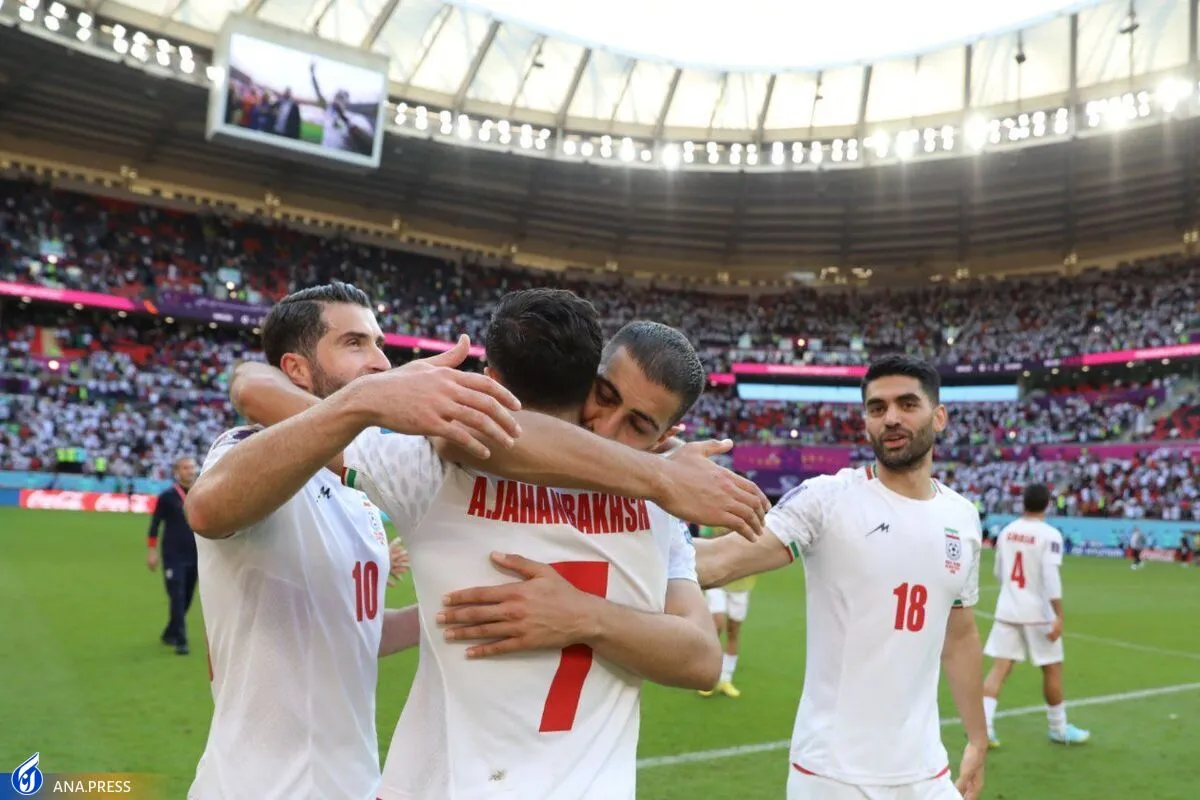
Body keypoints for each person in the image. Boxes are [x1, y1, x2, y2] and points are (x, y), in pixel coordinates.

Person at [188, 283, 763, 800]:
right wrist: (660, 476)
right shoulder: (653, 488)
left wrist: (588, 616)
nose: (608, 428)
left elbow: (702, 658)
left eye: (638, 425)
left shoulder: (652, 503)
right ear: (586, 379)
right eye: (605, 397)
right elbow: (255, 408)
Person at [183, 281, 525, 800]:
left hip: (354, 784)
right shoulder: (252, 449)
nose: (381, 362)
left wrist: (457, 610)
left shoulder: (358, 489)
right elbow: (207, 509)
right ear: (297, 370)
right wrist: (362, 403)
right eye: (354, 343)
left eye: (379, 344)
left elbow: (355, 630)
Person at [692, 354, 989, 800]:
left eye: (908, 404)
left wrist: (978, 738)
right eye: (877, 408)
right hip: (832, 774)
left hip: (927, 772)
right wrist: (648, 494)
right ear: (866, 422)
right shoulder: (827, 499)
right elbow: (717, 563)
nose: (891, 417)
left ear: (939, 417)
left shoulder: (962, 517)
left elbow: (961, 637)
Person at [982, 483, 1090, 748]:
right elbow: (1050, 577)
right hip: (1038, 614)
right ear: (1048, 504)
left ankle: (983, 727)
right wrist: (1059, 614)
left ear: (1023, 503)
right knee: (1052, 668)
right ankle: (1058, 728)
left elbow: (999, 572)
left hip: (1008, 609)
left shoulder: (1007, 531)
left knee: (1000, 668)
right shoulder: (1049, 535)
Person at [147, 456, 199, 656]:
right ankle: (181, 640)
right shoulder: (167, 497)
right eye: (185, 468)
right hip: (173, 555)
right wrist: (152, 552)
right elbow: (155, 524)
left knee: (187, 597)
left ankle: (170, 632)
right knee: (177, 596)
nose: (190, 471)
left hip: (195, 554)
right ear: (177, 472)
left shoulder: (200, 494)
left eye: (192, 467)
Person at [698, 525, 755, 698]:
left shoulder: (753, 519)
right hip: (718, 580)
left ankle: (725, 679)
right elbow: (703, 540)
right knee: (717, 624)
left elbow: (761, 546)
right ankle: (707, 677)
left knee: (733, 632)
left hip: (742, 584)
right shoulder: (714, 516)